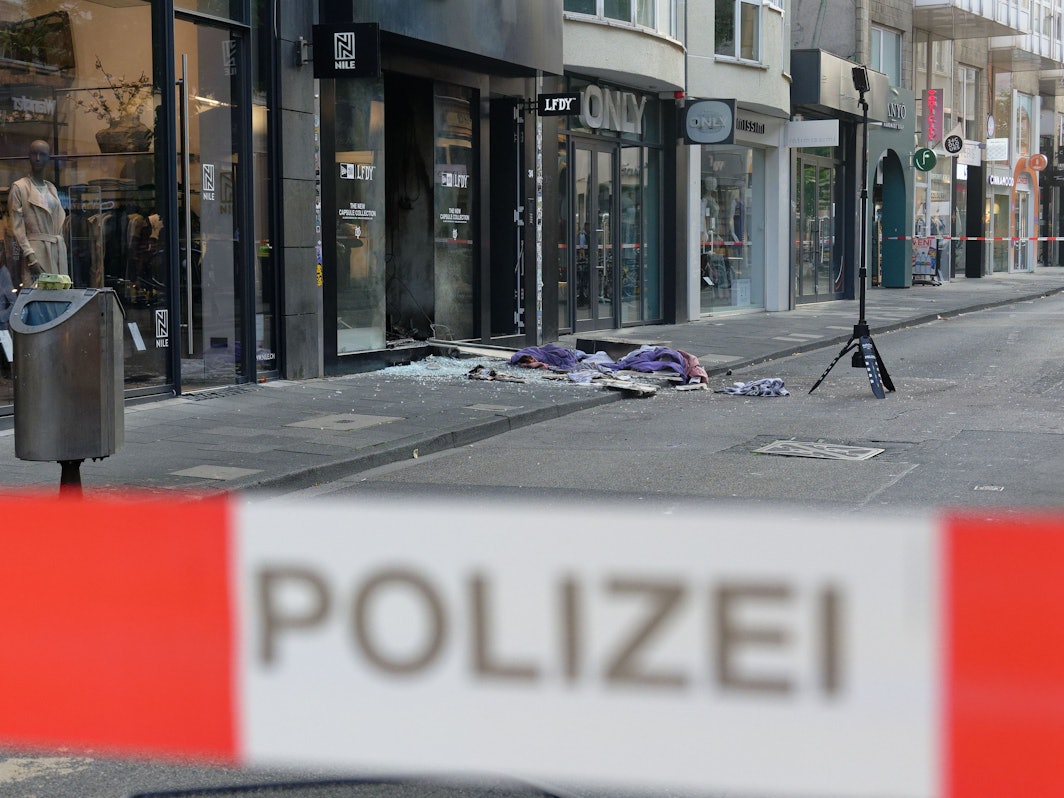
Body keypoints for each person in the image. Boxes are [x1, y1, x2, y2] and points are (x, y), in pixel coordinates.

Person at [10, 139, 68, 286]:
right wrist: (31, 258)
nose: (37, 158)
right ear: (28, 156)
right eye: (34, 154)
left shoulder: (51, 188)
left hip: (57, 250)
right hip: (36, 251)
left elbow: (58, 222)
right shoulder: (19, 187)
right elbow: (18, 228)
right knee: (38, 296)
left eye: (42, 154)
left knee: (58, 296)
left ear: (48, 158)